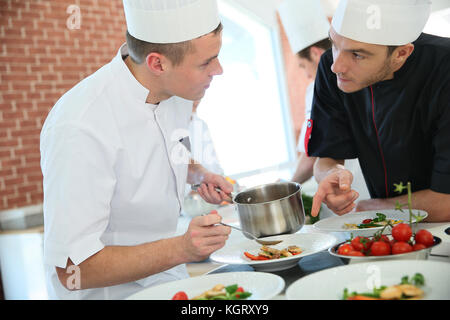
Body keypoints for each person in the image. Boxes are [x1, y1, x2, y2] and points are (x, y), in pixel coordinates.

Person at [40, 0, 233, 299]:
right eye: (206, 62)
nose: (219, 71)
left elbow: (171, 145)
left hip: (170, 282)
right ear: (157, 63)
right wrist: (182, 247)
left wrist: (197, 173)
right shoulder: (80, 126)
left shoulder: (176, 92)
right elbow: (72, 270)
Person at [307, 0, 450, 222]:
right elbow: (327, 157)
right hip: (391, 229)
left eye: (357, 55)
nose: (337, 66)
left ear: (401, 53)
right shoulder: (330, 68)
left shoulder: (444, 69)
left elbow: (447, 203)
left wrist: (371, 209)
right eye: (334, 44)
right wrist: (332, 174)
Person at [278, 0, 370, 201]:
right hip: (367, 188)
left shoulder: (317, 87)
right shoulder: (365, 73)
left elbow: (311, 154)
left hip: (346, 194)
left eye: (302, 66)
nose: (307, 74)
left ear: (315, 53)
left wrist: (287, 187)